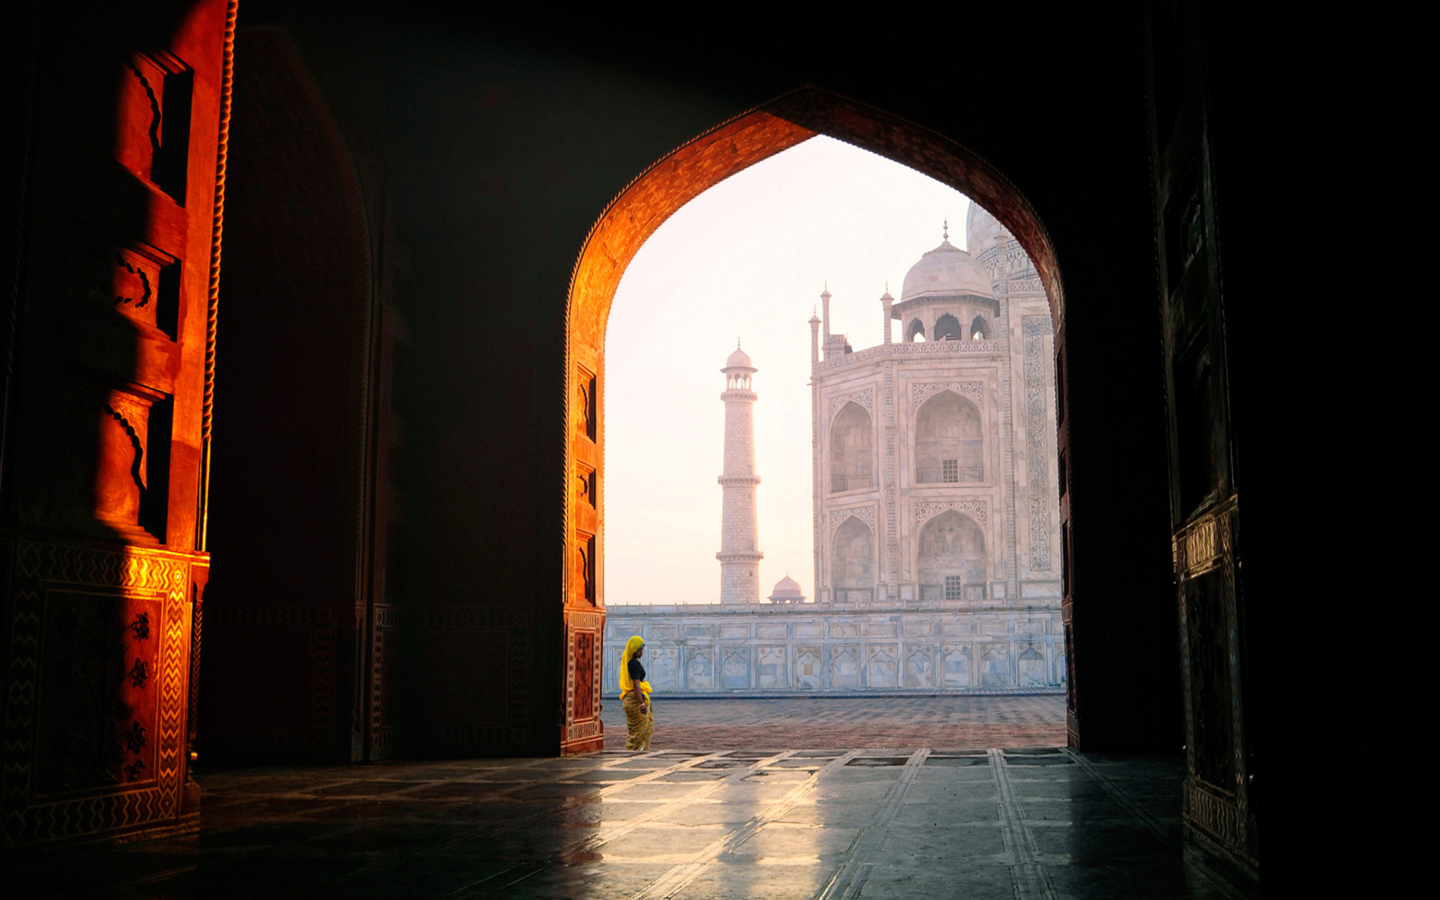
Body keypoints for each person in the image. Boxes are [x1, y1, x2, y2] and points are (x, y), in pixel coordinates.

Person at [619, 635, 653, 750]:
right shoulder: (633, 664)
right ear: (634, 649)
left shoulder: (629, 663)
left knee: (635, 733)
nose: (642, 652)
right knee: (639, 732)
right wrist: (641, 703)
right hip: (635, 700)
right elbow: (636, 685)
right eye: (640, 650)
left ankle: (632, 752)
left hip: (629, 700)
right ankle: (634, 753)